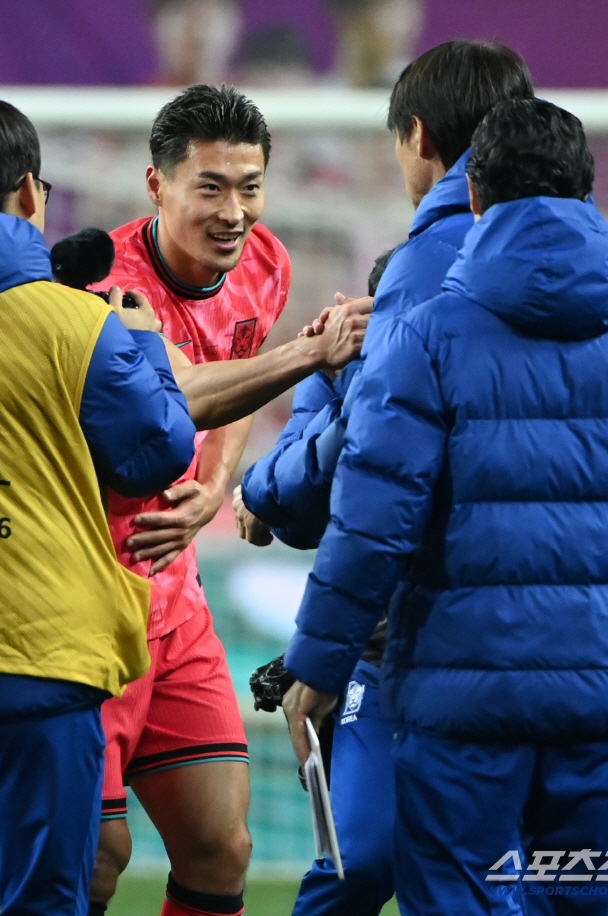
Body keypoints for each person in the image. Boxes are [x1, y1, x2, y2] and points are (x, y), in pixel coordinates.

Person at [282, 97, 608, 916]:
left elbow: (372, 529)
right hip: (598, 714)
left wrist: (319, 665)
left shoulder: (424, 339)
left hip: (458, 709)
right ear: (588, 196)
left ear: (472, 196)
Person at [236, 40, 534, 916]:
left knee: (401, 863)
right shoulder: (605, 293)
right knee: (459, 869)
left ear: (417, 138)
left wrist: (263, 491)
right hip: (557, 637)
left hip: (431, 630)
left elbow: (376, 464)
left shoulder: (427, 266)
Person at [87, 83, 370, 916]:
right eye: (209, 186)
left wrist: (215, 483)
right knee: (96, 858)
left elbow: (231, 398)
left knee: (222, 849)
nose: (233, 210)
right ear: (156, 186)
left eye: (249, 186)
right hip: (89, 601)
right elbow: (180, 389)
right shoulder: (106, 283)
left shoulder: (267, 265)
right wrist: (311, 354)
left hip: (175, 607)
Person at [0, 101, 196, 916]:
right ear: (30, 196)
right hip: (40, 652)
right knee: (45, 897)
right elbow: (158, 452)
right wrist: (145, 344)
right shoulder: (74, 323)